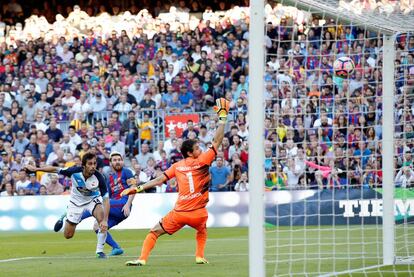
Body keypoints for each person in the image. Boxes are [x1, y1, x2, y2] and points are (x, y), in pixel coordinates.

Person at [122, 98, 230, 266]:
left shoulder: (177, 166)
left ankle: (142, 259)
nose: (200, 149)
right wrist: (223, 119)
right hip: (199, 213)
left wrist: (138, 188)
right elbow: (217, 141)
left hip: (180, 212)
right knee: (202, 230)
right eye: (197, 148)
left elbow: (158, 180)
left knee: (154, 232)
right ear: (189, 152)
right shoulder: (203, 160)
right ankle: (199, 256)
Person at [25, 152, 110, 258]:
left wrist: (105, 220)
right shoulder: (73, 171)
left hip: (93, 200)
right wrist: (36, 169)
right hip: (76, 203)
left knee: (102, 221)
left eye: (94, 163)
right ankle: (66, 215)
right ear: (84, 165)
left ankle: (100, 251)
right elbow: (54, 169)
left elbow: (106, 199)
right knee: (68, 235)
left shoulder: (99, 178)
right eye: (90, 164)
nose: (93, 166)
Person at [53, 151, 136, 256]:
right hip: (114, 209)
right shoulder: (109, 178)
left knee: (96, 205)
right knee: (97, 227)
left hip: (122, 204)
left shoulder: (126, 172)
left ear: (123, 161)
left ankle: (72, 218)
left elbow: (133, 188)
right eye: (115, 160)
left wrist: (128, 204)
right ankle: (116, 248)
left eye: (119, 160)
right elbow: (106, 196)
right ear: (110, 163)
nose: (117, 162)